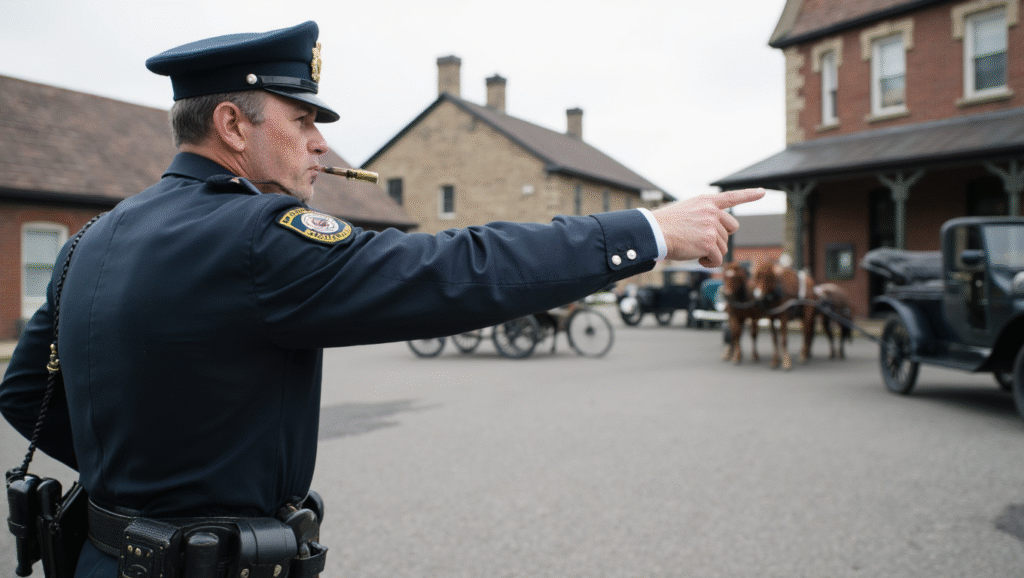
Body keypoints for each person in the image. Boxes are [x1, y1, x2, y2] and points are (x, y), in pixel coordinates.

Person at [0, 20, 763, 578]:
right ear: (232, 124)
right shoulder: (258, 234)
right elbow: (452, 269)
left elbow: (27, 389)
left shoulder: (93, 238)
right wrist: (647, 232)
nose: (321, 145)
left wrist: (149, 479)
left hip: (100, 559)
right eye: (302, 121)